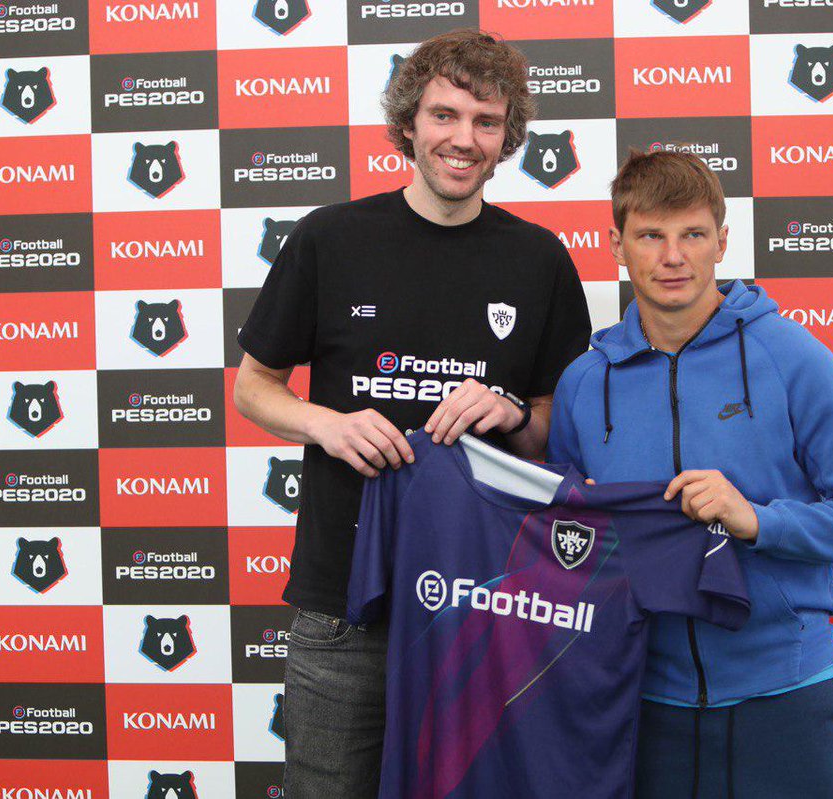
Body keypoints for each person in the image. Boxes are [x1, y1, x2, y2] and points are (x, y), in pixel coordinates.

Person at [232, 29, 591, 799]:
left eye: (486, 122)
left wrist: (509, 410)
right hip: (343, 606)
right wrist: (326, 423)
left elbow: (557, 427)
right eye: (444, 115)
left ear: (507, 137)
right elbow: (253, 387)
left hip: (485, 601)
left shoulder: (540, 259)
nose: (464, 139)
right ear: (408, 122)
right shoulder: (329, 238)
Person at [547, 150, 833, 797]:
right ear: (617, 246)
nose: (672, 257)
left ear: (722, 241)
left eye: (692, 234)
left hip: (790, 697)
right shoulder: (583, 382)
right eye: (650, 235)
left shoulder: (791, 356)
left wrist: (756, 520)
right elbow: (561, 543)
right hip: (644, 705)